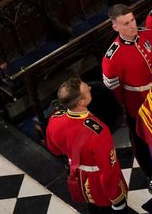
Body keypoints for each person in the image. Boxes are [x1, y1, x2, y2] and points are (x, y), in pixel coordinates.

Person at [101, 4, 152, 195]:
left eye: (133, 20)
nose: (132, 26)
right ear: (115, 27)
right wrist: (127, 111)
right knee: (142, 143)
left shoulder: (148, 35)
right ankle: (151, 175)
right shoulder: (111, 58)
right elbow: (114, 91)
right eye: (126, 24)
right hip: (137, 106)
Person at [45, 76, 128, 213]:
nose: (90, 88)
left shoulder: (55, 119)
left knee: (93, 208)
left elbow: (55, 150)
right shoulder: (98, 132)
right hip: (99, 184)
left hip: (80, 178)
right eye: (87, 90)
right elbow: (108, 172)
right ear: (82, 102)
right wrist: (117, 199)